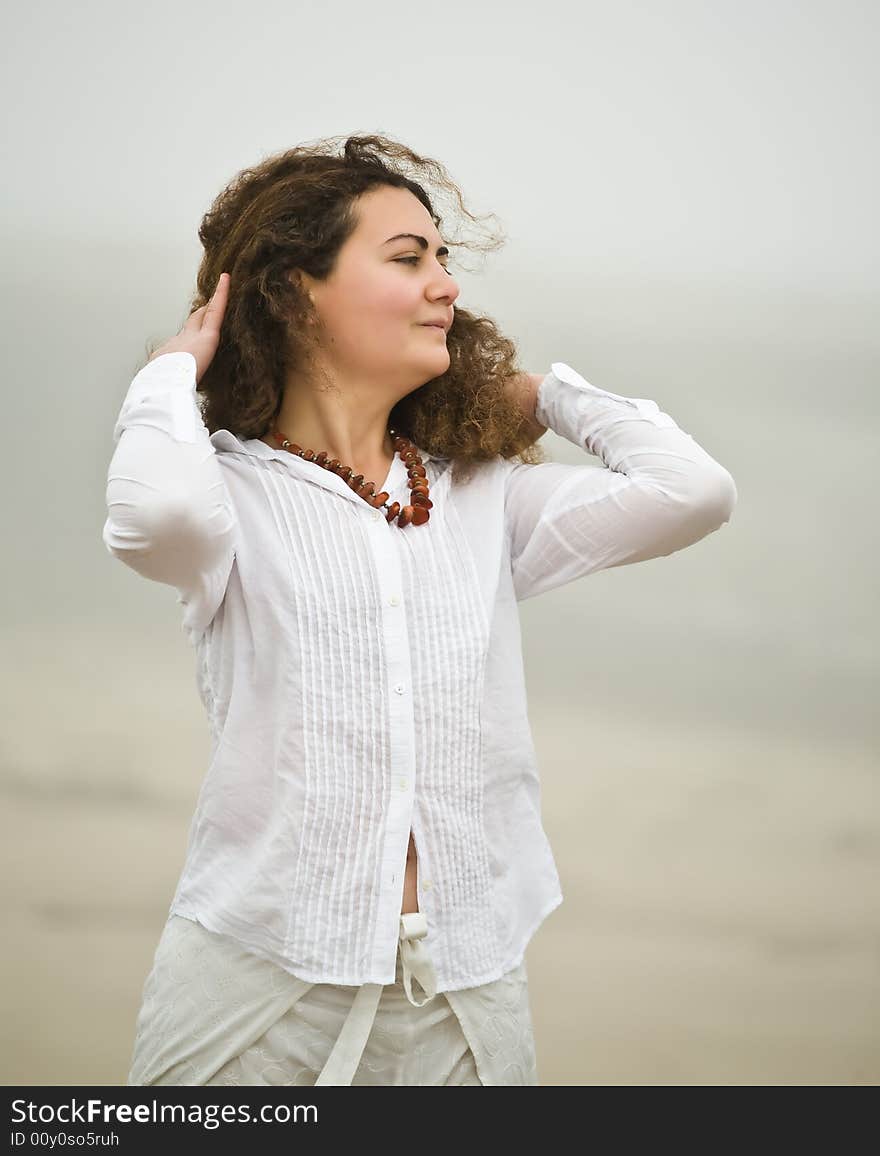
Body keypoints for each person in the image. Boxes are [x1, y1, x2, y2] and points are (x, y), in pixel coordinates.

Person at [102, 133, 737, 1086]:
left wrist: (537, 394)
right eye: (409, 258)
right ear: (293, 290)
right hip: (258, 987)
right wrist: (169, 375)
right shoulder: (231, 495)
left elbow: (693, 490)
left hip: (467, 991)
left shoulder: (481, 499)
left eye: (447, 260)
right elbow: (153, 516)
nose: (447, 284)